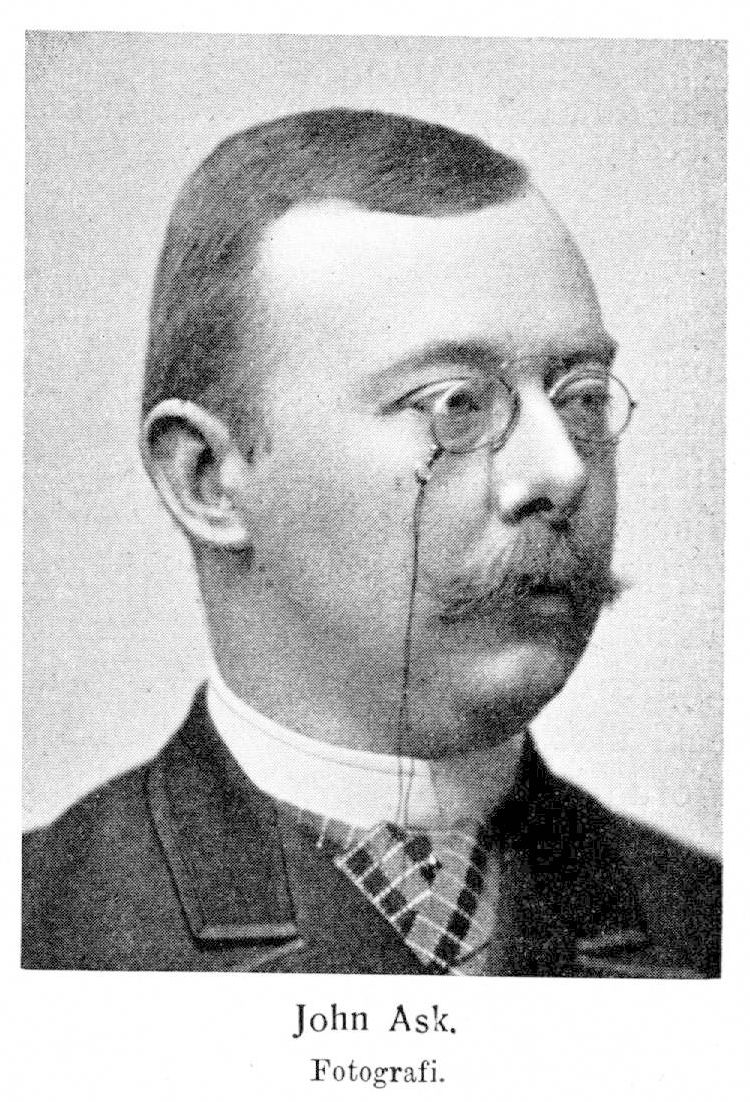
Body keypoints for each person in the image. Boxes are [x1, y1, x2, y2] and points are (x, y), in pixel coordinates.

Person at [22, 108, 720, 976]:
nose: (562, 471)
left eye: (580, 397)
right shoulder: (46, 937)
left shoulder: (710, 929)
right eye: (456, 404)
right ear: (208, 480)